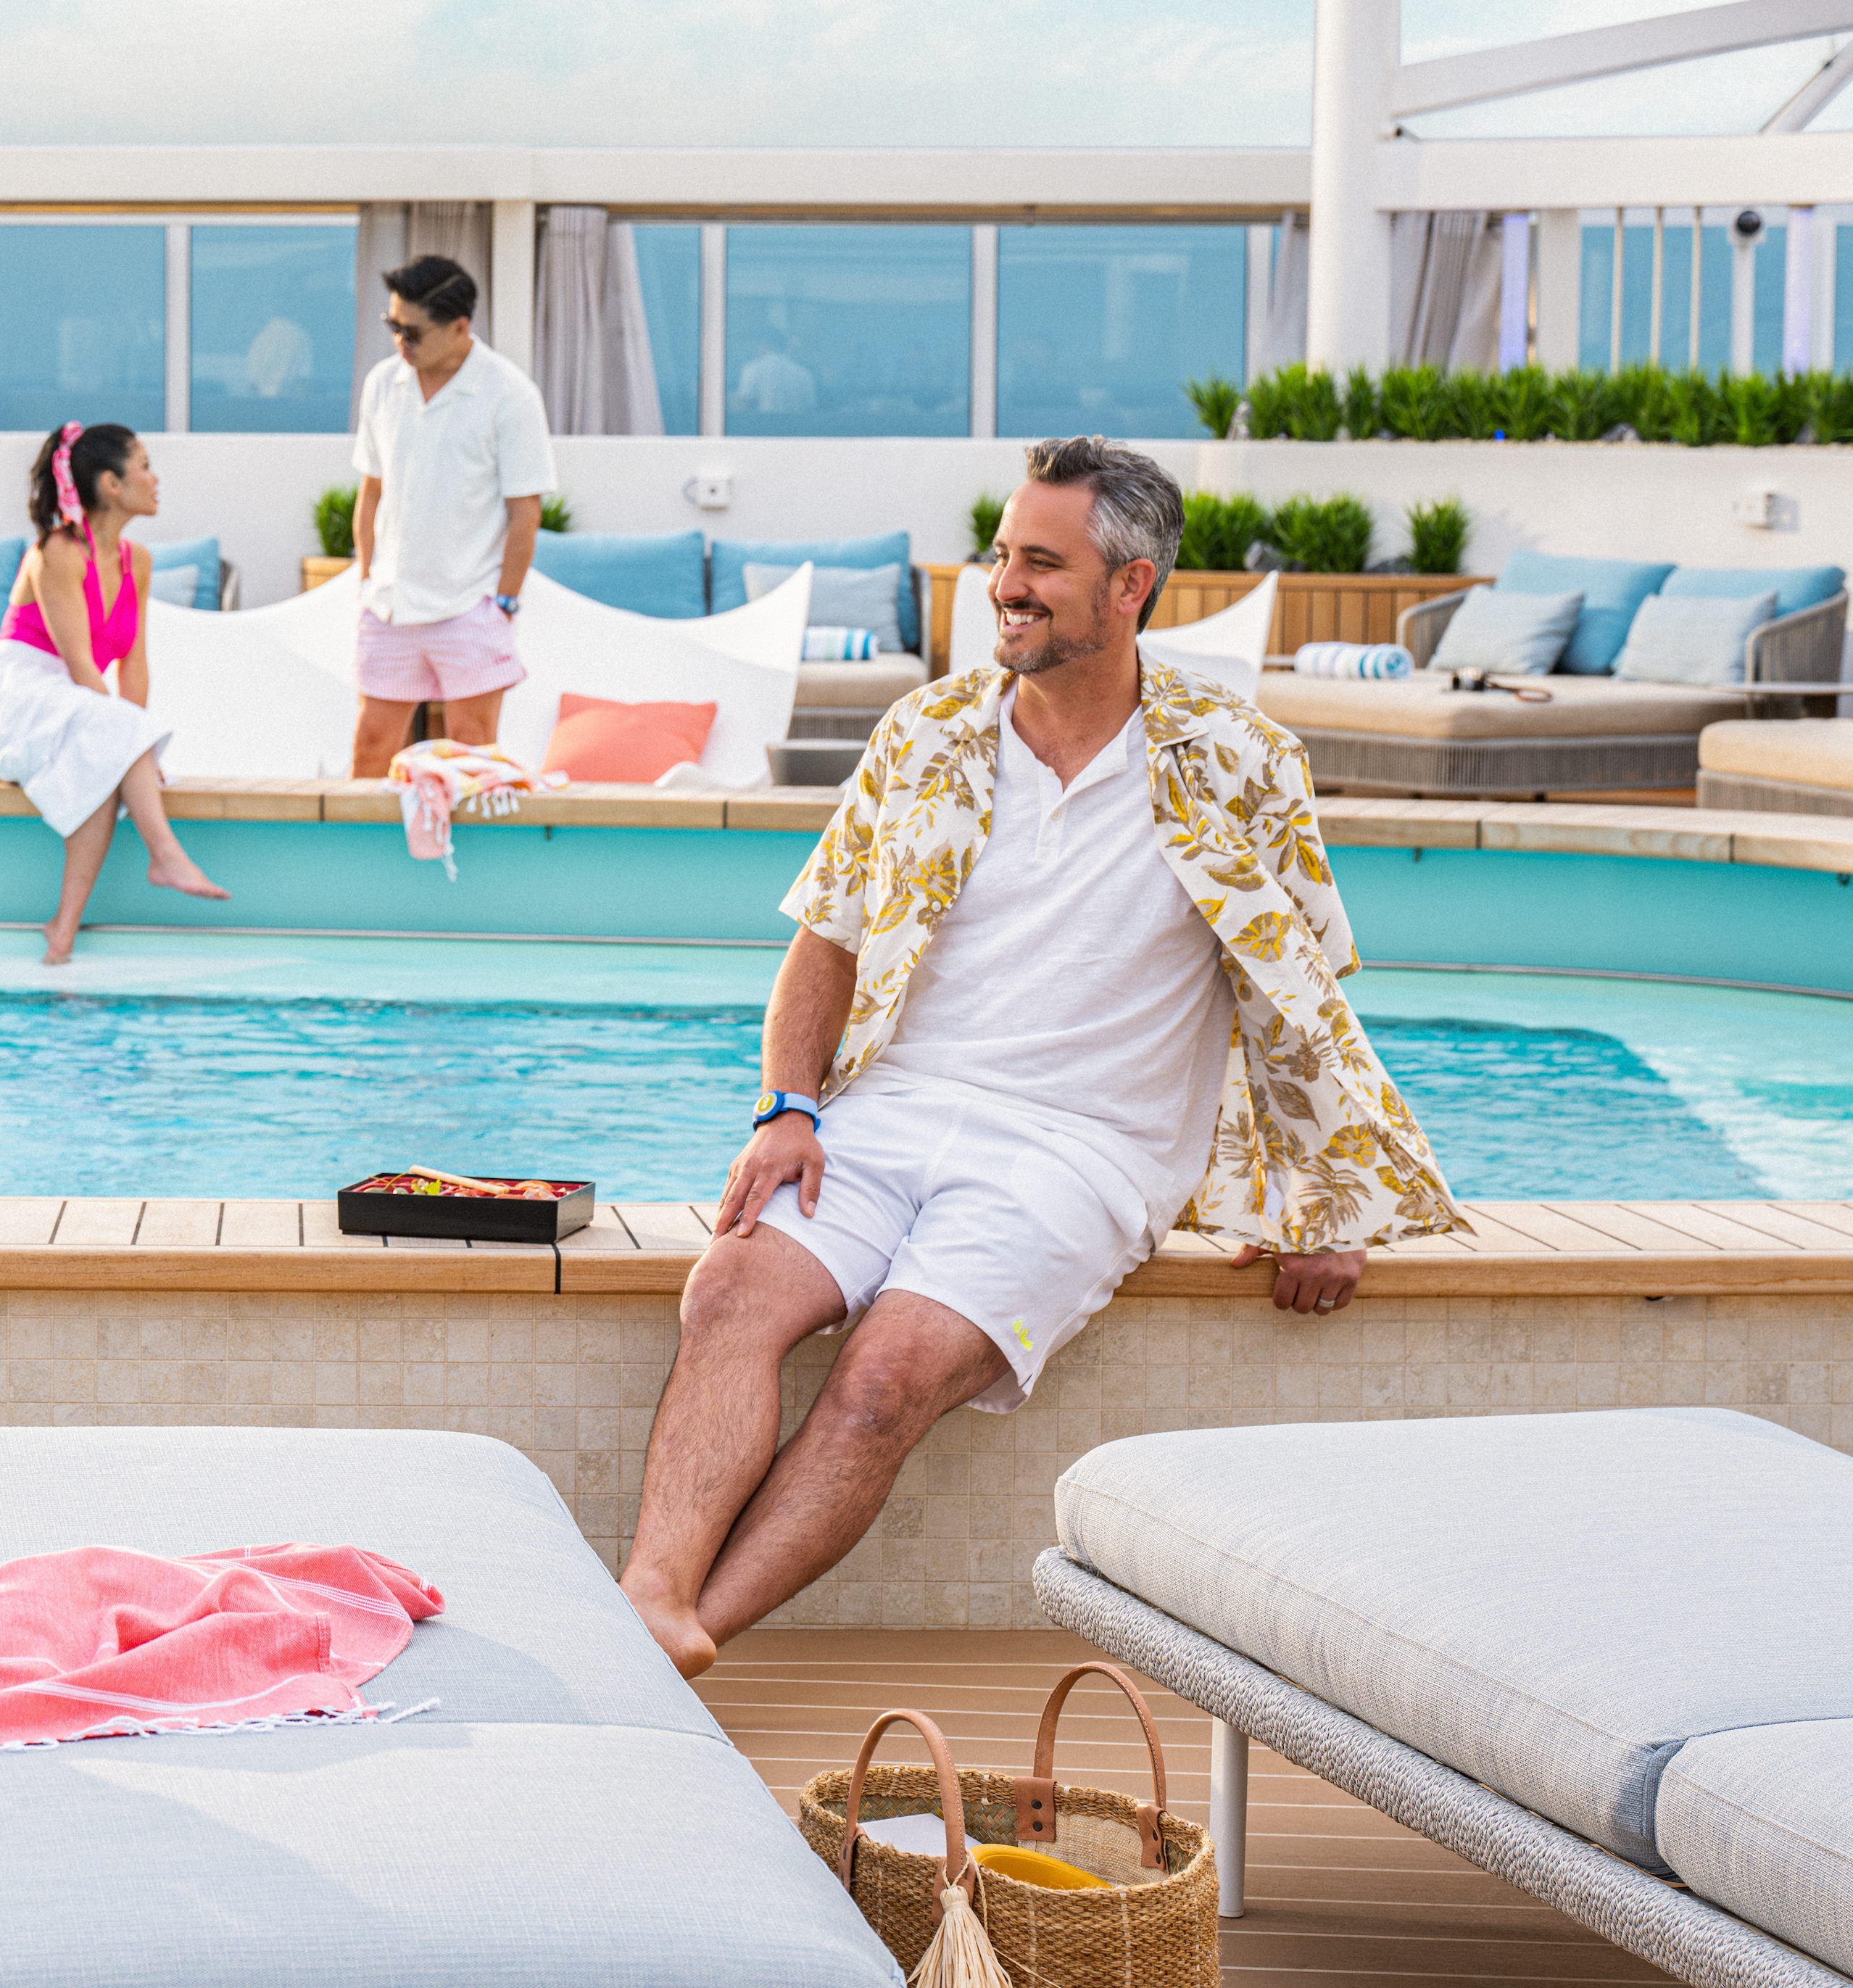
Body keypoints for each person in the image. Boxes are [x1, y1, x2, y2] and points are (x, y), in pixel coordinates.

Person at [615, 437, 1462, 1679]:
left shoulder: (1238, 761)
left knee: (884, 1379)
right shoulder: (929, 734)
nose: (1005, 583)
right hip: (889, 1110)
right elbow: (825, 939)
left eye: (1041, 563)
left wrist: (1319, 1199)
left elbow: (1300, 991)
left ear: (1129, 587)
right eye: (1003, 554)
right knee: (730, 1292)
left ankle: (679, 1640)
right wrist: (786, 1106)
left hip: (1082, 1150)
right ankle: (651, 1598)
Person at [0, 421, 229, 964]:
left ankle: (62, 931)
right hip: (11, 694)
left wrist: (134, 748)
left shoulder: (139, 563)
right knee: (112, 741)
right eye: (145, 465)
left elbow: (135, 668)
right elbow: (79, 662)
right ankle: (165, 854)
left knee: (107, 757)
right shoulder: (57, 552)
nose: (156, 478)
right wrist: (135, 746)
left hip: (72, 702)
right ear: (110, 483)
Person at [347, 253, 555, 779]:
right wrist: (368, 577)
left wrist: (503, 602)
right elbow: (371, 491)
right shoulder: (382, 384)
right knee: (371, 746)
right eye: (392, 326)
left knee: (474, 755)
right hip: (391, 603)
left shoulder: (510, 394)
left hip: (471, 604)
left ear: (460, 327)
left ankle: (472, 864)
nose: (401, 342)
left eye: (413, 332)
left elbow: (525, 512)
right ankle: (362, 862)